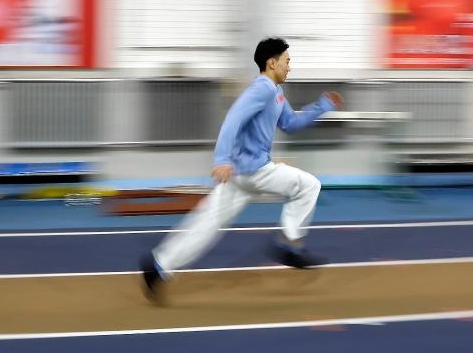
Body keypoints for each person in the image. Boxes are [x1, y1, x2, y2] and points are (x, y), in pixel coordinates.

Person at [140, 37, 343, 303]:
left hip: (238, 176)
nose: (290, 67)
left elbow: (290, 123)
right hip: (255, 172)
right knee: (309, 185)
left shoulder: (276, 93)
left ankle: (158, 265)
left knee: (206, 223)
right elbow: (233, 118)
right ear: (272, 63)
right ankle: (289, 242)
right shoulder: (262, 89)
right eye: (287, 61)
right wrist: (221, 158)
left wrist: (322, 107)